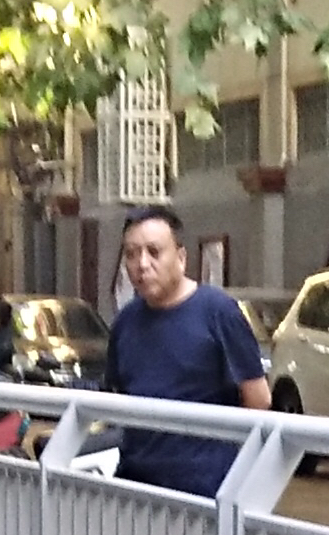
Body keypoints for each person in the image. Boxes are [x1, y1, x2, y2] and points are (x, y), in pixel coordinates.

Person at [100, 205, 269, 500]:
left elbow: (258, 400)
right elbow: (117, 396)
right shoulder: (125, 322)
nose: (142, 264)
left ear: (181, 257)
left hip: (204, 493)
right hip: (135, 487)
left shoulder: (218, 313)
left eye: (154, 251)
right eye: (131, 253)